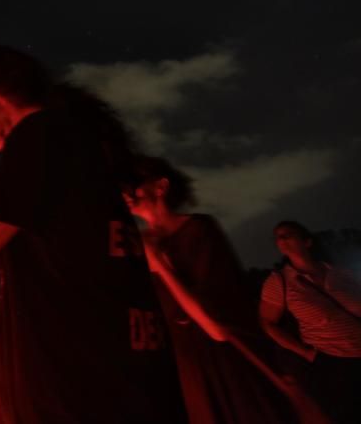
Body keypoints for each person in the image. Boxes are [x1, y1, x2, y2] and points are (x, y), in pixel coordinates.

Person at [0, 45, 186, 424]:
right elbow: (24, 230)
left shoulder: (39, 136)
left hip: (73, 397)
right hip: (117, 387)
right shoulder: (75, 146)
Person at [124, 156, 295, 424]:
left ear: (160, 186)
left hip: (227, 362)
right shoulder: (139, 246)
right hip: (187, 367)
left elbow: (215, 327)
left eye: (133, 183)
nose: (125, 192)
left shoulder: (198, 230)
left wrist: (159, 265)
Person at [260, 220, 361, 423]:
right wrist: (305, 352)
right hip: (333, 363)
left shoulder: (340, 273)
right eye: (278, 237)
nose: (281, 239)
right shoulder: (280, 281)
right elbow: (267, 323)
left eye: (288, 234)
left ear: (307, 241)